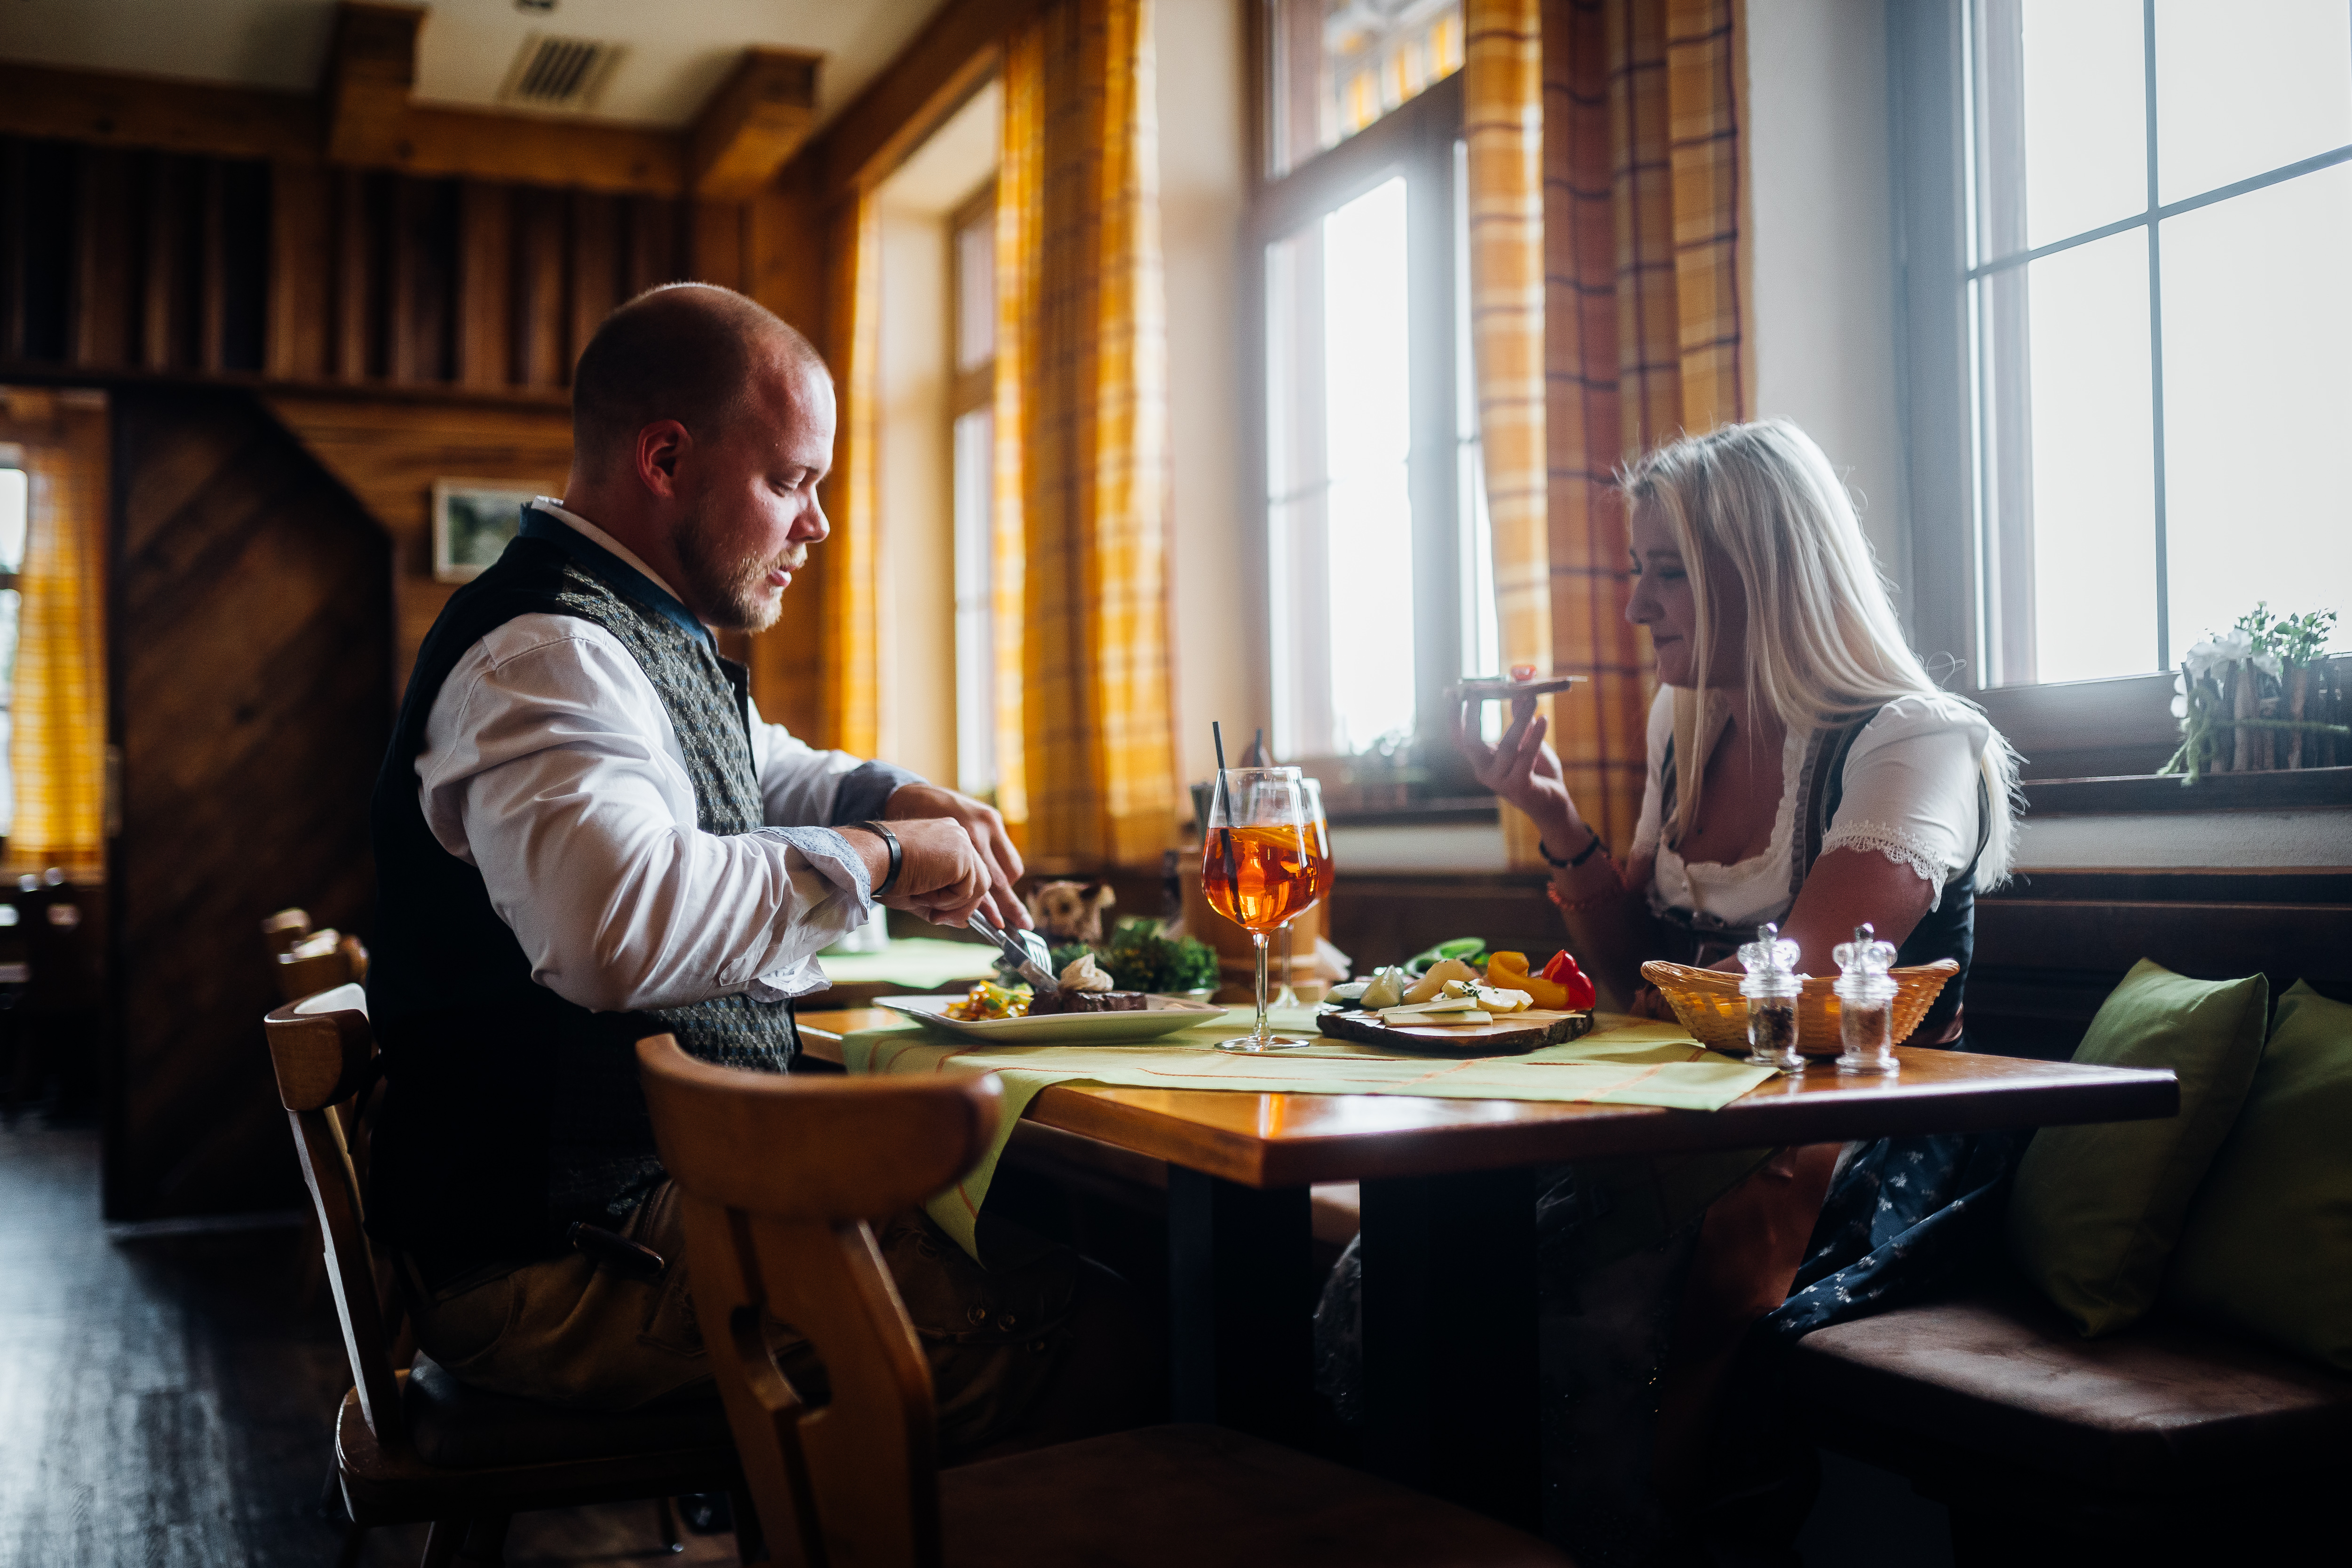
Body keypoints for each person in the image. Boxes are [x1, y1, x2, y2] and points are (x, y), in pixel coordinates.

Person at [364, 283, 1152, 1454]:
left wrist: (878, 793)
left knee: (1072, 1254)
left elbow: (756, 764)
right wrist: (879, 858)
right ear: (667, 458)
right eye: (793, 481)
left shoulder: (629, 628)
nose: (816, 525)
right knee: (1113, 1327)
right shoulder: (546, 649)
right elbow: (611, 927)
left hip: (617, 1216)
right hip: (562, 1265)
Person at [1318, 420, 2022, 1561]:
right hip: (1684, 1107)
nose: (1636, 608)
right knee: (1414, 1253)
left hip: (1852, 1133)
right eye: (1635, 571)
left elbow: (1779, 993)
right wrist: (1560, 827)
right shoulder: (1682, 721)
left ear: (1771, 568)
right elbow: (1634, 974)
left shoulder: (1913, 740)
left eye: (1668, 572)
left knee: (1576, 1304)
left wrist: (1630, 1016)